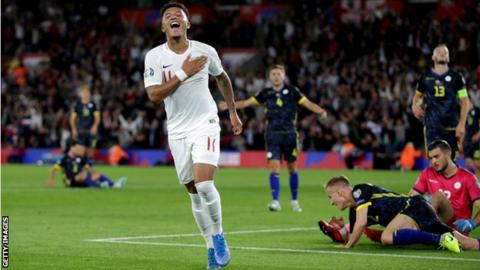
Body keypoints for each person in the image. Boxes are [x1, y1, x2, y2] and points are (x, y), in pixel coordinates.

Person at [143, 2, 242, 269]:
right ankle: (210, 249)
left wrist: (232, 111)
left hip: (205, 123)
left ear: (188, 23)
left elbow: (222, 78)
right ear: (163, 26)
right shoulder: (154, 56)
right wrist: (183, 72)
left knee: (205, 185)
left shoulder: (205, 51)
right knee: (192, 192)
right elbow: (153, 95)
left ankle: (219, 235)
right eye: (168, 17)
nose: (173, 18)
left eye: (179, 16)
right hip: (177, 129)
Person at [232, 64, 327, 212]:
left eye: (279, 74)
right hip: (272, 135)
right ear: (270, 77)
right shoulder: (266, 92)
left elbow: (307, 103)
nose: (276, 76)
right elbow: (246, 102)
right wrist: (230, 106)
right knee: (274, 167)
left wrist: (320, 111)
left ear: (284, 76)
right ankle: (275, 201)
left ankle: (295, 201)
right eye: (273, 74)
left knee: (292, 168)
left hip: (289, 134)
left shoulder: (292, 91)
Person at [324, 175, 480, 252]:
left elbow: (361, 224)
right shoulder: (356, 209)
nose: (331, 202)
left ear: (340, 192)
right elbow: (352, 237)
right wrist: (342, 229)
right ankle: (450, 239)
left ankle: (440, 240)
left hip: (413, 207)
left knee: (386, 237)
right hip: (415, 213)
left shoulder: (359, 190)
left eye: (331, 197)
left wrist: (348, 247)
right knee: (469, 244)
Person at [411, 44, 470, 158]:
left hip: (451, 127)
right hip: (432, 126)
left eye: (445, 53)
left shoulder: (457, 77)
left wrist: (461, 124)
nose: (442, 54)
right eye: (439, 52)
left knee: (451, 163)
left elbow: (465, 101)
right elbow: (417, 96)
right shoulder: (425, 77)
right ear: (433, 57)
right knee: (434, 162)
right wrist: (414, 105)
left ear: (448, 58)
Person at [409, 139, 480, 234]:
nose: (433, 161)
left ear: (448, 154)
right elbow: (411, 197)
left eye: (436, 156)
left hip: (456, 233)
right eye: (430, 158)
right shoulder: (427, 173)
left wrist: (472, 223)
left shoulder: (468, 178)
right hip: (432, 229)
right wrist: (424, 200)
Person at [47, 142, 127, 188]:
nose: (81, 151)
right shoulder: (65, 158)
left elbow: (88, 168)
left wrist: (96, 174)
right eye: (79, 149)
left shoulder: (80, 158)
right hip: (70, 182)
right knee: (82, 174)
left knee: (96, 174)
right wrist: (52, 179)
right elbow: (54, 169)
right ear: (72, 148)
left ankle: (114, 185)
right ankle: (99, 186)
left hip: (81, 179)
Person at [70, 85, 101, 158]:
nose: (86, 94)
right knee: (81, 151)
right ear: (80, 94)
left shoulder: (93, 104)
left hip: (90, 131)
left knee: (90, 153)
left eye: (87, 92)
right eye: (84, 92)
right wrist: (74, 129)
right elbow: (72, 119)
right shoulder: (77, 105)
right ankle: (69, 153)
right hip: (81, 130)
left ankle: (86, 168)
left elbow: (97, 117)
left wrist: (95, 126)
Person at [464, 100, 480, 173]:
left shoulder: (477, 111)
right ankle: (472, 181)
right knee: (468, 161)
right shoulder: (463, 112)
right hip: (467, 140)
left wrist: (478, 134)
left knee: (477, 161)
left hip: (477, 141)